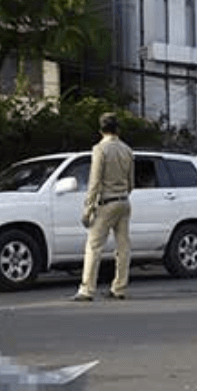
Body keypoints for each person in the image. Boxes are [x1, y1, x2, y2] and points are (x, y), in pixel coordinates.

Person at [73, 112, 134, 301]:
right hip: (124, 201)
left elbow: (94, 181)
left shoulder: (100, 149)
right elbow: (132, 182)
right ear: (118, 130)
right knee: (123, 247)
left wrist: (88, 207)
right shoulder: (127, 150)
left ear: (101, 130)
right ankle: (119, 287)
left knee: (94, 246)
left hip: (106, 202)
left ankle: (87, 290)